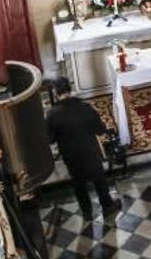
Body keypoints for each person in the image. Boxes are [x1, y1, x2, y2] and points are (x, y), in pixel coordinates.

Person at [46, 78, 119, 220]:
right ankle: (107, 206)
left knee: (78, 183)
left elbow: (50, 139)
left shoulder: (52, 115)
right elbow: (100, 129)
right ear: (70, 89)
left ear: (55, 93)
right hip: (90, 151)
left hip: (71, 156)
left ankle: (86, 211)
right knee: (99, 180)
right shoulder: (85, 107)